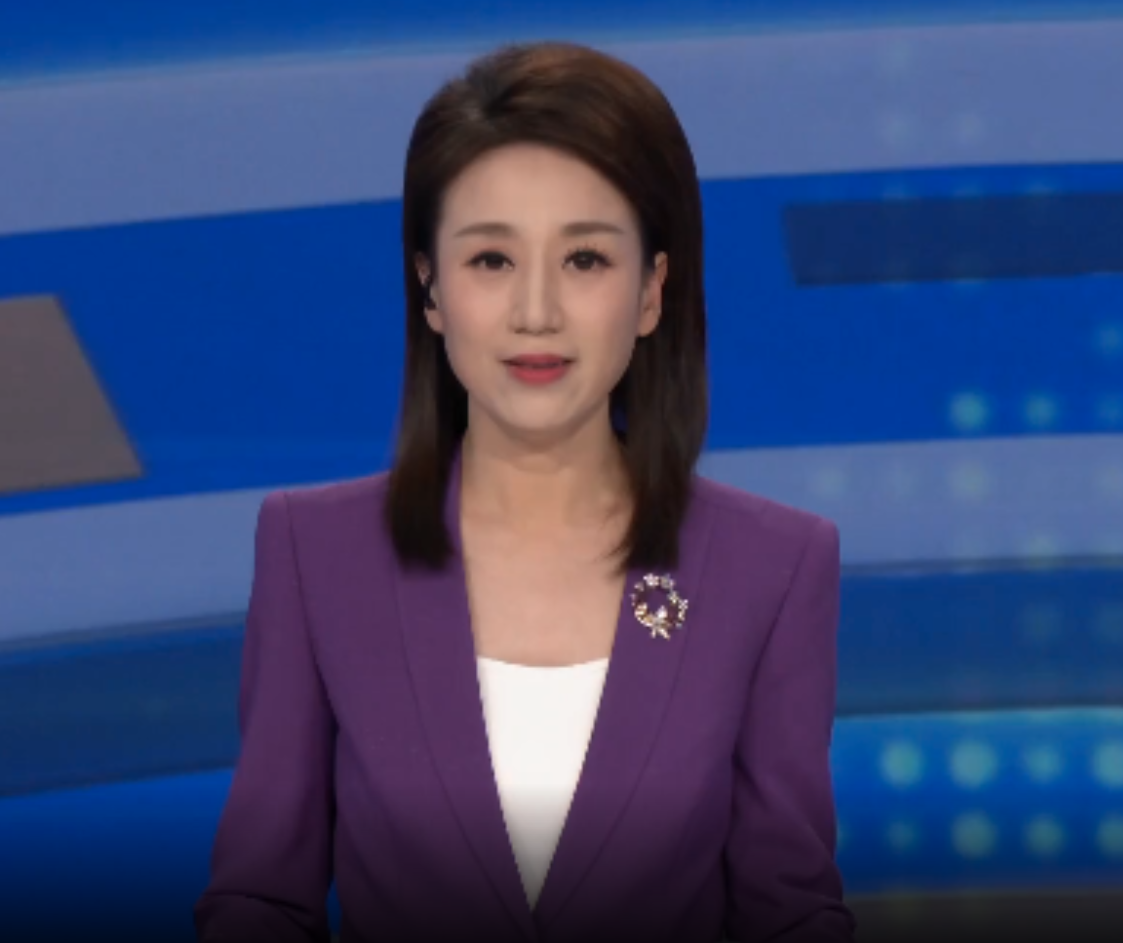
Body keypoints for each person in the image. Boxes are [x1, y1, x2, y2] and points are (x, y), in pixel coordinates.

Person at [193, 40, 856, 943]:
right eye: (491, 261)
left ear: (652, 291)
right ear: (430, 288)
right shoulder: (316, 554)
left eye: (584, 260)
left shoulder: (772, 567)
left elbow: (789, 911)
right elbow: (262, 898)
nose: (536, 311)